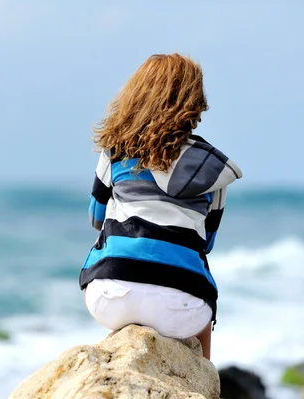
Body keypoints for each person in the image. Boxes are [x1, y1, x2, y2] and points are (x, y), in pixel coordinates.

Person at [80, 53, 242, 360]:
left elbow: (96, 218)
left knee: (123, 286)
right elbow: (206, 243)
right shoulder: (211, 169)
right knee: (201, 315)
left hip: (110, 295)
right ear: (194, 102)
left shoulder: (114, 152)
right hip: (183, 304)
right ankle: (203, 381)